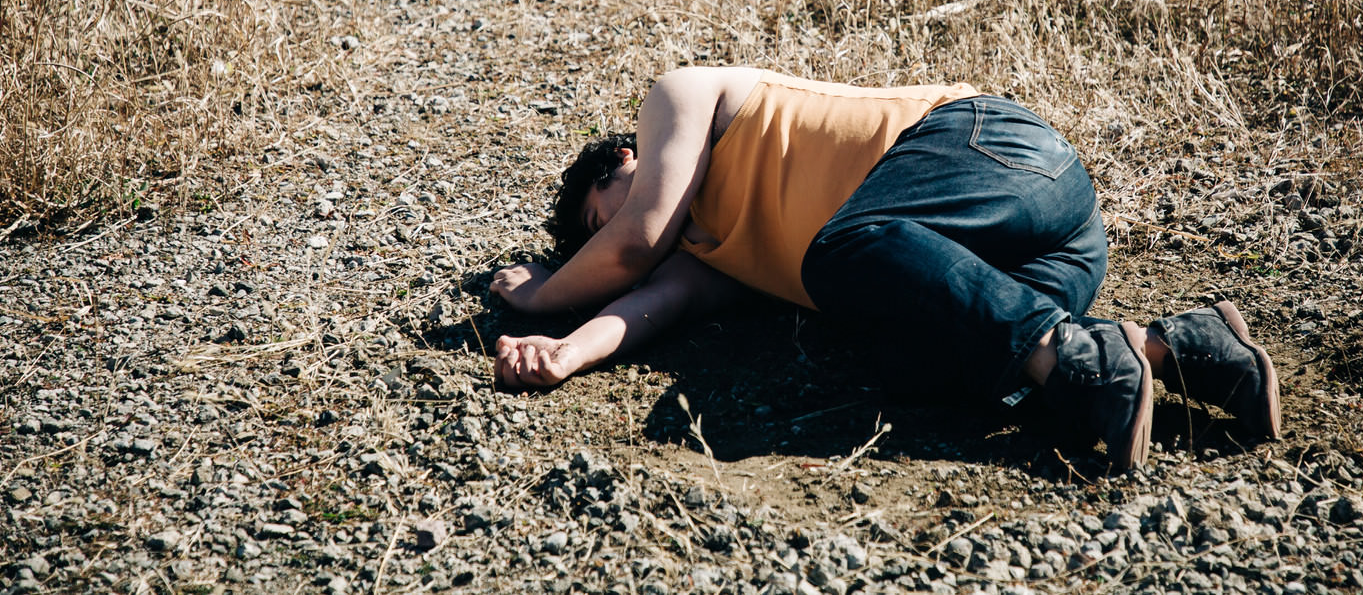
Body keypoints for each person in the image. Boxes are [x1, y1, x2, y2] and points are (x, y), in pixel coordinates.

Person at [489, 67, 1279, 471]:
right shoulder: (713, 256)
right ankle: (1176, 348)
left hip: (989, 151)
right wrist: (562, 352)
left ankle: (1081, 358)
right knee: (918, 371)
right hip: (1041, 254)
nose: (618, 247)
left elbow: (634, 240)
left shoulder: (685, 95)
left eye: (606, 212)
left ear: (621, 159)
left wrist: (542, 294)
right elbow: (645, 301)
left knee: (839, 251)